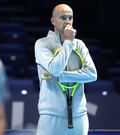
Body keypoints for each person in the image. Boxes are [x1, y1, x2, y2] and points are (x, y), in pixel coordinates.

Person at [34, 4, 97, 135]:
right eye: (63, 17)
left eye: (70, 17)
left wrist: (61, 77)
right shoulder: (42, 44)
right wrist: (68, 42)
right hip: (51, 116)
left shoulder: (79, 44)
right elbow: (55, 68)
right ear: (53, 21)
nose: (68, 21)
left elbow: (92, 74)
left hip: (80, 116)